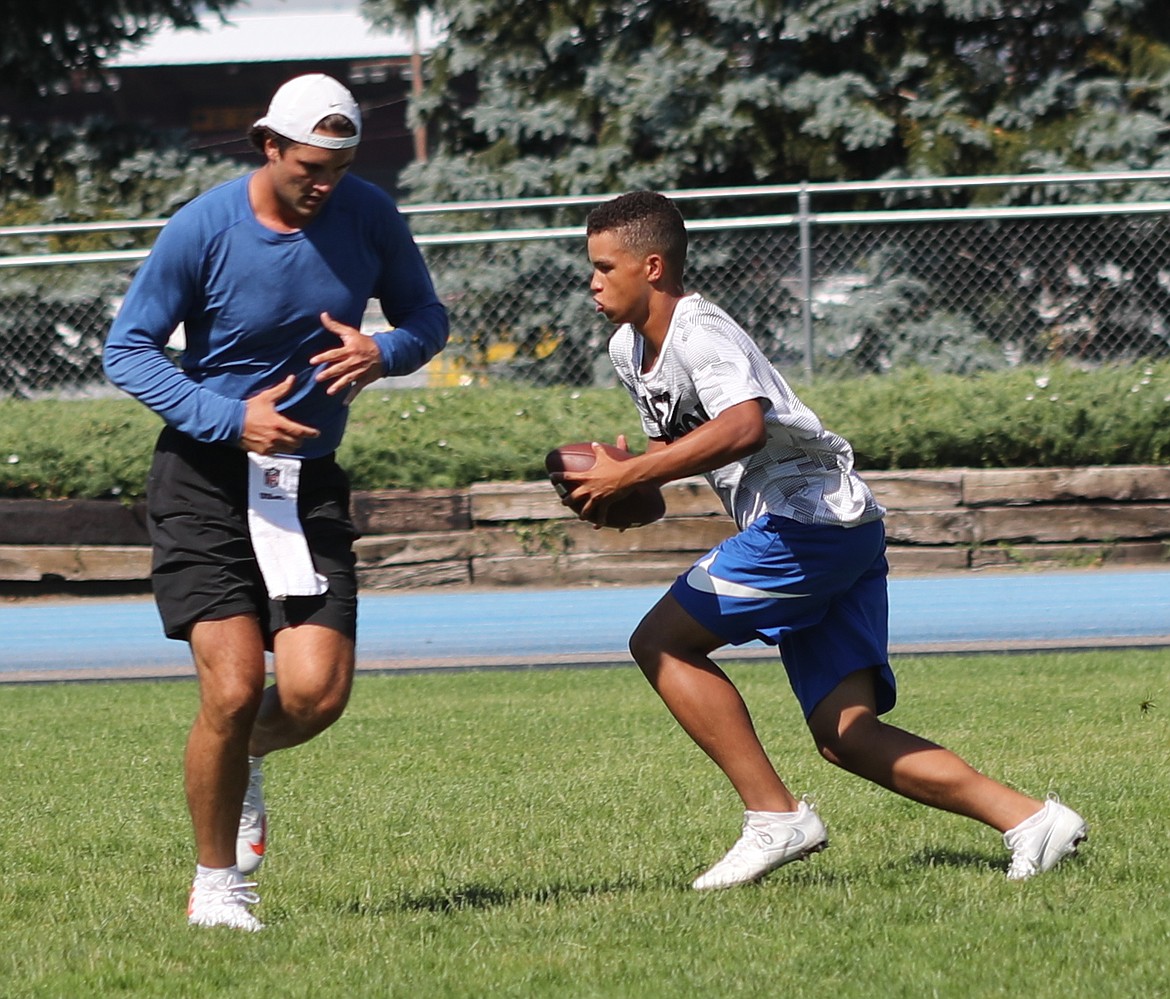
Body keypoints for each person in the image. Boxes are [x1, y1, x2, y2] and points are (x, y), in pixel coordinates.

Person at [563, 190, 1086, 890]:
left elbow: (743, 426)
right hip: (835, 529)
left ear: (652, 266)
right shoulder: (629, 349)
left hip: (805, 522)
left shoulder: (698, 328)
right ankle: (1031, 819)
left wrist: (634, 470)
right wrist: (622, 491)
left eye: (604, 266)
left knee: (659, 641)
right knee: (847, 735)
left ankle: (774, 817)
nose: (592, 282)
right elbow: (675, 456)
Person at [103, 74, 448, 930]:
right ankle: (219, 888)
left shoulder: (369, 214)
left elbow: (426, 317)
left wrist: (386, 351)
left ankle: (238, 759)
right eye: (308, 164)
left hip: (306, 486)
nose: (324, 181)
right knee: (228, 689)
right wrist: (229, 416)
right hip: (203, 481)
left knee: (314, 695)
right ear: (268, 146)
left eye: (338, 163)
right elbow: (128, 348)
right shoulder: (204, 228)